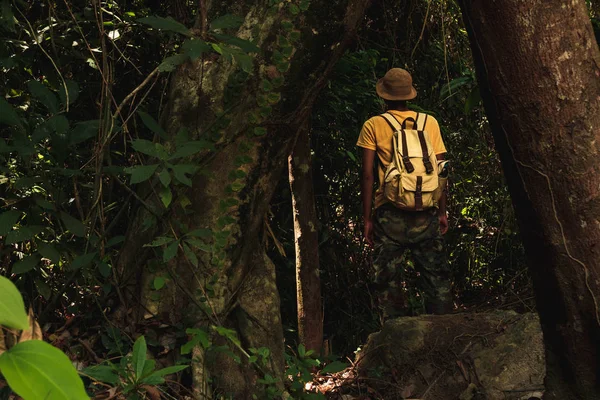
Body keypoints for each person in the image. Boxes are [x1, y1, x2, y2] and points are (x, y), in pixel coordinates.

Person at [356, 68, 453, 319]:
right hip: (427, 210)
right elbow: (440, 171)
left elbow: (367, 175)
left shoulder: (374, 125)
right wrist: (442, 211)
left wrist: (367, 218)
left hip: (389, 212)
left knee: (388, 279)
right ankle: (442, 330)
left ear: (384, 96)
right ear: (409, 95)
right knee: (436, 276)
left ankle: (396, 337)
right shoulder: (429, 122)